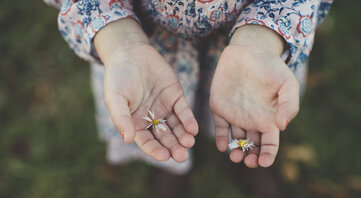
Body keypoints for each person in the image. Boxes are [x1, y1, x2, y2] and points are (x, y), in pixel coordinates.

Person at [44, 0, 333, 174]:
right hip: (146, 46)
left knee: (244, 118)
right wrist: (119, 42)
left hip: (246, 48)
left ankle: (244, 162)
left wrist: (262, 39)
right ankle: (171, 170)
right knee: (167, 126)